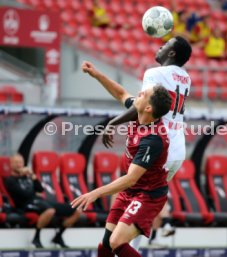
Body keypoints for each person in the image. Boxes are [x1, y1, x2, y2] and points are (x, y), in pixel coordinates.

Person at [81, 36, 192, 247]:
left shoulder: (155, 73)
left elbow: (139, 108)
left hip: (158, 146)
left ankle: (131, 245)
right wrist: (97, 75)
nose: (160, 46)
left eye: (165, 45)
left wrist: (112, 123)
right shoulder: (185, 77)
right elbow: (127, 97)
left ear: (171, 54)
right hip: (176, 148)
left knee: (133, 193)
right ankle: (150, 235)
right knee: (142, 200)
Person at [71, 85, 172, 257]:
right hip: (129, 192)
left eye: (143, 94)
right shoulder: (141, 112)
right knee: (104, 247)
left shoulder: (153, 139)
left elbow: (131, 178)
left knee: (116, 242)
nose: (138, 94)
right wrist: (95, 75)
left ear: (148, 107)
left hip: (148, 196)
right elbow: (121, 93)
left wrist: (95, 193)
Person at [4, 154, 81, 248]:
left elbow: (40, 190)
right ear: (11, 164)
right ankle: (36, 238)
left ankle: (58, 236)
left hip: (38, 201)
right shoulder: (10, 180)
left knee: (76, 209)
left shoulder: (28, 177)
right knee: (50, 210)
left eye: (20, 162)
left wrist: (32, 176)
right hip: (25, 205)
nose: (19, 164)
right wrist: (34, 192)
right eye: (16, 162)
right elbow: (24, 194)